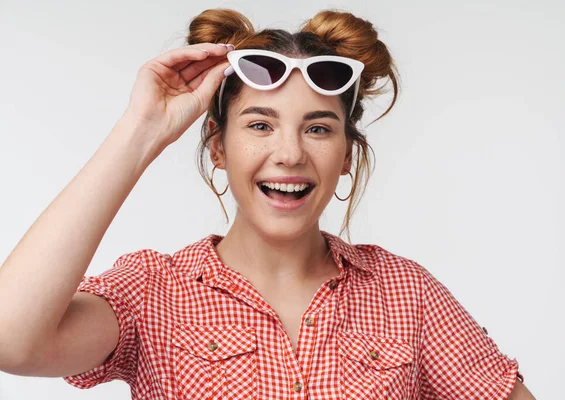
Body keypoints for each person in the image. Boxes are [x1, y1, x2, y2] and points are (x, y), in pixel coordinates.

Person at [0, 8, 535, 400]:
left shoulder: (406, 294)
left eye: (318, 129)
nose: (289, 154)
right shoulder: (152, 292)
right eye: (260, 125)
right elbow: (11, 339)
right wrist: (142, 131)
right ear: (218, 147)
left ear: (346, 155)